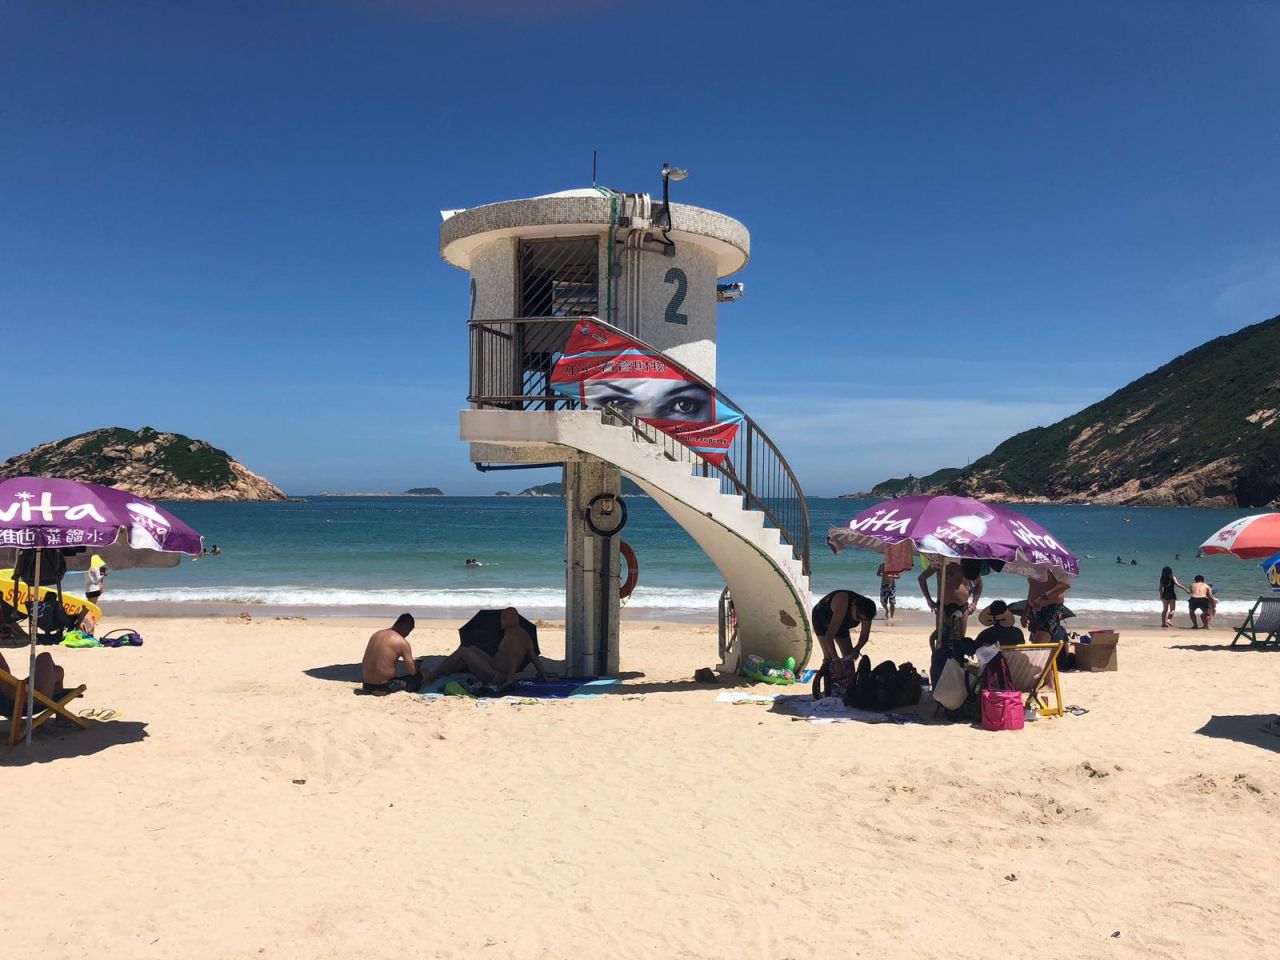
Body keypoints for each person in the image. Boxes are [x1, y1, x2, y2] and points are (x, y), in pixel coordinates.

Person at [423, 607, 547, 687]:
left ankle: (432, 675)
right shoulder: (525, 635)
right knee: (472, 649)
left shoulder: (511, 634)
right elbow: (534, 658)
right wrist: (545, 676)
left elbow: (512, 657)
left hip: (495, 675)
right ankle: (444, 671)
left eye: (502, 619)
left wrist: (509, 681)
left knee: (463, 651)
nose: (500, 622)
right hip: (494, 665)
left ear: (510, 619)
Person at [0, 650, 68, 732]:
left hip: (12, 700)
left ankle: (61, 714)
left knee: (58, 670)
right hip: (27, 699)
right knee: (44, 657)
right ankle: (61, 714)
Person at [918, 563, 980, 646]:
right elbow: (921, 578)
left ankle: (957, 658)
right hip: (943, 607)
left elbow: (979, 584)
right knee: (941, 641)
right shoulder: (940, 563)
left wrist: (974, 603)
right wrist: (929, 600)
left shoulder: (968, 564)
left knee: (960, 642)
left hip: (962, 608)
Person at [360, 613, 423, 694]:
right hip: (385, 687)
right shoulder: (401, 642)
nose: (407, 634)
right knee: (422, 675)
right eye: (409, 631)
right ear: (406, 627)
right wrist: (417, 666)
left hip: (366, 686)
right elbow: (412, 672)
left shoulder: (376, 634)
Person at [810, 589, 876, 664]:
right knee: (829, 658)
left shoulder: (868, 611)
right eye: (858, 618)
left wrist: (857, 649)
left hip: (842, 623)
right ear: (854, 607)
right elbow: (829, 636)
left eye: (863, 620)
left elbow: (864, 634)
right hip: (822, 617)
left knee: (848, 658)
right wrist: (835, 659)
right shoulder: (842, 602)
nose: (861, 620)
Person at [1026, 571, 1071, 644]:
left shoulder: (1055, 566)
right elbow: (1033, 588)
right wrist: (1025, 612)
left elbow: (1065, 584)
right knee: (1035, 643)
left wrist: (1044, 597)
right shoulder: (1034, 566)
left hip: (1049, 608)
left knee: (1038, 645)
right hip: (1034, 609)